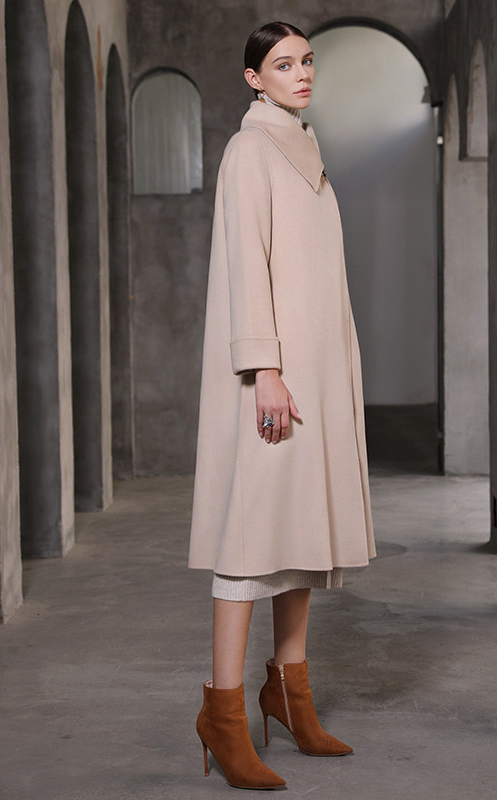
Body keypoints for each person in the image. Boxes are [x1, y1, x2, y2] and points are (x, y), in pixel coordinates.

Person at [188, 21, 376, 790]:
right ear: (253, 78)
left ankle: (290, 696)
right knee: (249, 541)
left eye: (307, 61)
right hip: (273, 375)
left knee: (299, 533)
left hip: (316, 369)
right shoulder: (250, 151)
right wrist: (264, 369)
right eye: (283, 64)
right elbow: (247, 264)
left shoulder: (304, 147)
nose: (301, 74)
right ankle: (223, 714)